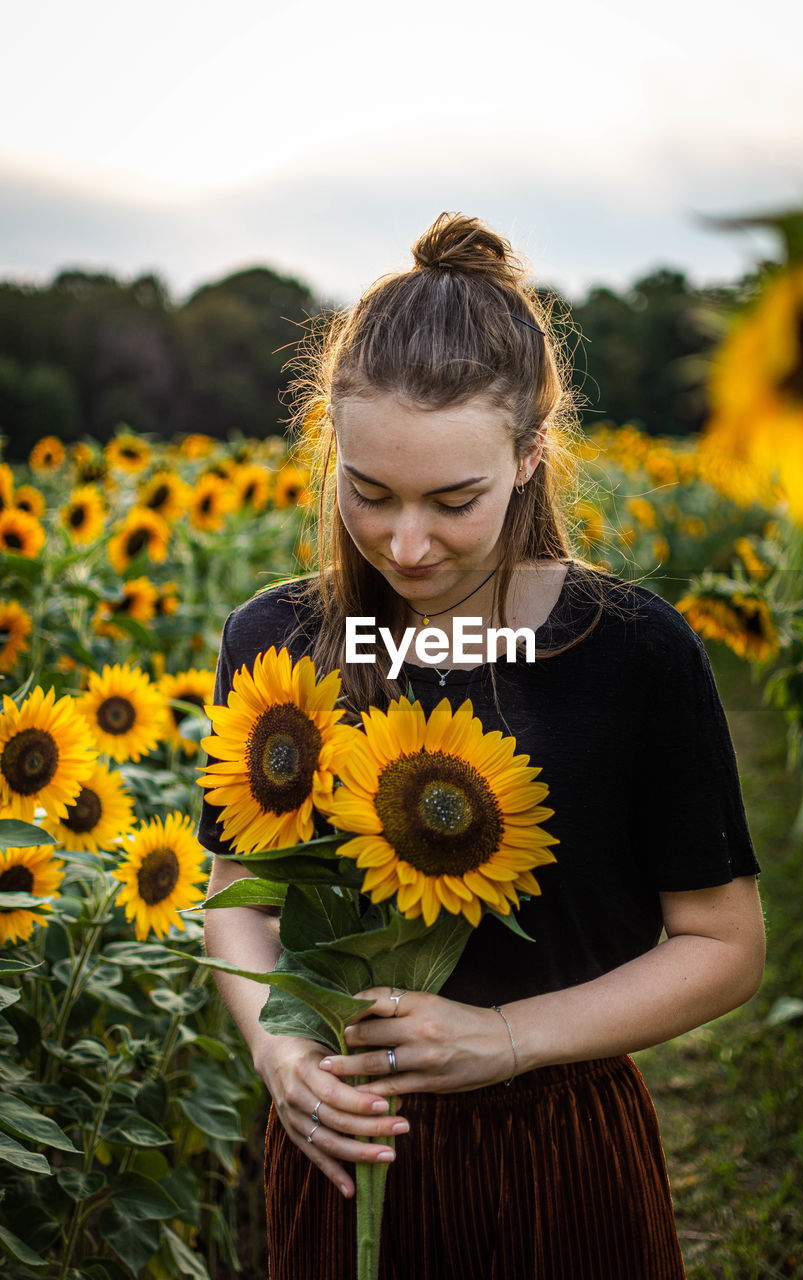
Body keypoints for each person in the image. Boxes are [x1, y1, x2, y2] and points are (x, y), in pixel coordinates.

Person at [198, 212, 766, 1280]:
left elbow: (724, 941)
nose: (406, 543)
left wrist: (506, 1038)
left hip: (555, 1145)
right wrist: (280, 1048)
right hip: (339, 1147)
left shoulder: (630, 651)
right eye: (367, 492)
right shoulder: (273, 640)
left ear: (529, 453)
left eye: (454, 500)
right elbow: (239, 899)